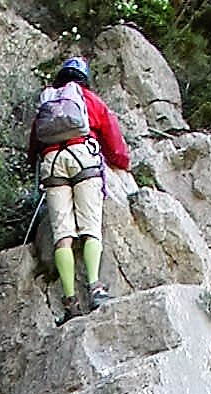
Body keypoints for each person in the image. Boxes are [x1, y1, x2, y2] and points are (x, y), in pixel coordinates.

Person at [27, 56, 130, 322]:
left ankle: (70, 300)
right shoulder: (89, 100)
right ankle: (95, 287)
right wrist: (121, 162)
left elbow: (34, 144)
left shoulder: (48, 102)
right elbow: (113, 141)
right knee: (90, 227)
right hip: (83, 158)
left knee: (63, 235)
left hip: (52, 163)